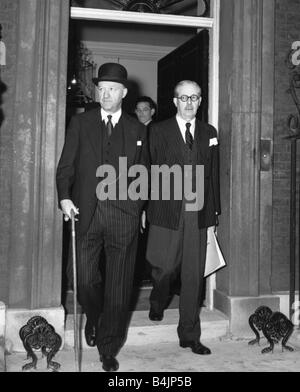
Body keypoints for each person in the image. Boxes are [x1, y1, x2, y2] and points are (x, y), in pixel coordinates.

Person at [56, 62, 149, 372]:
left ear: (123, 93)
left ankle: (109, 348)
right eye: (101, 89)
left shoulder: (137, 129)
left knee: (120, 287)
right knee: (82, 279)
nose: (105, 94)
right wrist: (65, 197)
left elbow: (143, 173)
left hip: (123, 216)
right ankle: (94, 317)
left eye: (111, 90)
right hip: (86, 212)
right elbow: (66, 165)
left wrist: (139, 208)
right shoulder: (82, 124)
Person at [146, 80, 221, 355]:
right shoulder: (157, 131)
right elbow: (147, 169)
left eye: (195, 98)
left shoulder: (209, 132)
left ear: (200, 101)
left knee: (193, 275)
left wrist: (214, 212)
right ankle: (158, 298)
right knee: (163, 268)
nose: (189, 103)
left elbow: (212, 174)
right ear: (175, 101)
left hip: (198, 210)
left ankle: (189, 334)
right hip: (165, 209)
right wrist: (144, 207)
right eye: (184, 98)